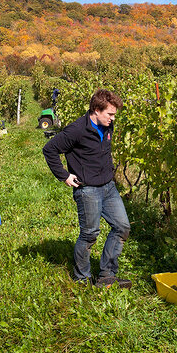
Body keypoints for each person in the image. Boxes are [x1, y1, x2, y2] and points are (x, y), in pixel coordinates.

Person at [43, 89, 131, 288]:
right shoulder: (76, 130)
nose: (113, 118)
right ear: (96, 110)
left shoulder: (108, 126)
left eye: (114, 114)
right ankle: (82, 278)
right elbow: (49, 150)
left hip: (108, 187)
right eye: (110, 114)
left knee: (122, 227)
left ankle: (107, 274)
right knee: (90, 234)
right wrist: (64, 175)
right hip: (88, 190)